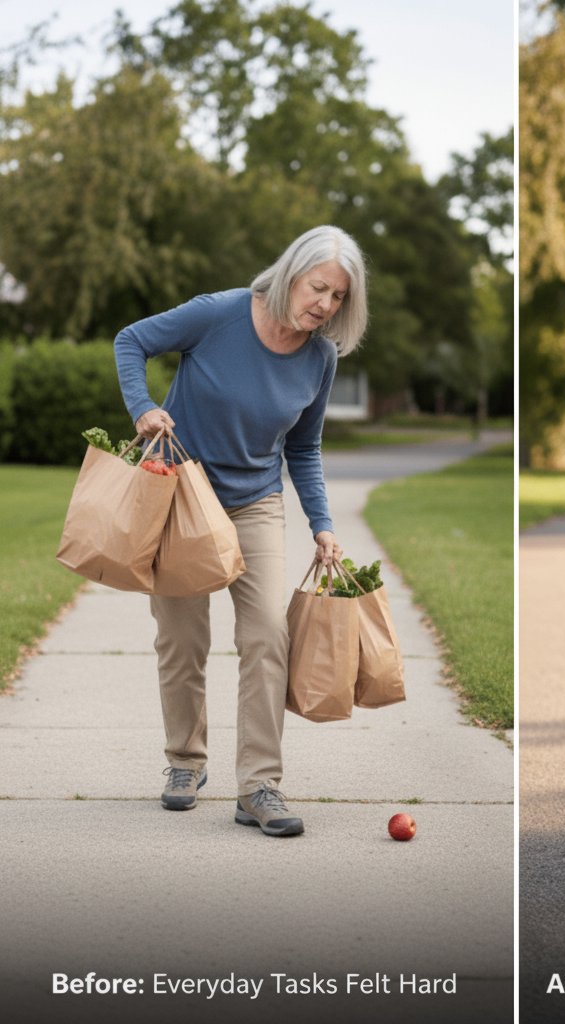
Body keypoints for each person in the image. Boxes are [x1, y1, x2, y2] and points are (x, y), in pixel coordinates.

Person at [114, 225, 367, 837]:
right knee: (181, 639)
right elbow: (131, 341)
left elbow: (304, 448)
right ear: (291, 274)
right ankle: (184, 763)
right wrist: (141, 407)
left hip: (256, 504)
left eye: (338, 297)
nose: (325, 306)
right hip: (182, 496)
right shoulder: (220, 314)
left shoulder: (320, 357)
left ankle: (259, 785)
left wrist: (323, 525)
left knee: (266, 639)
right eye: (318, 288)